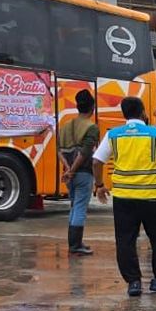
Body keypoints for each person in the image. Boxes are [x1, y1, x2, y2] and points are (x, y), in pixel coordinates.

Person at [91, 96, 156, 297]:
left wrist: (99, 185)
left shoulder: (114, 135)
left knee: (125, 240)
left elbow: (97, 161)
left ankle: (133, 283)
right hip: (152, 197)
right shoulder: (155, 133)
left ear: (124, 114)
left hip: (124, 199)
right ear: (143, 113)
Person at [58, 89, 98, 256]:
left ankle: (74, 243)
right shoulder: (92, 127)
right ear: (92, 108)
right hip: (83, 173)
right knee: (80, 207)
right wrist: (73, 170)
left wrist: (67, 169)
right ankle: (75, 245)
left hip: (69, 174)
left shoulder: (65, 126)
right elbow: (85, 152)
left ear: (77, 106)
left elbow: (59, 150)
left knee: (74, 206)